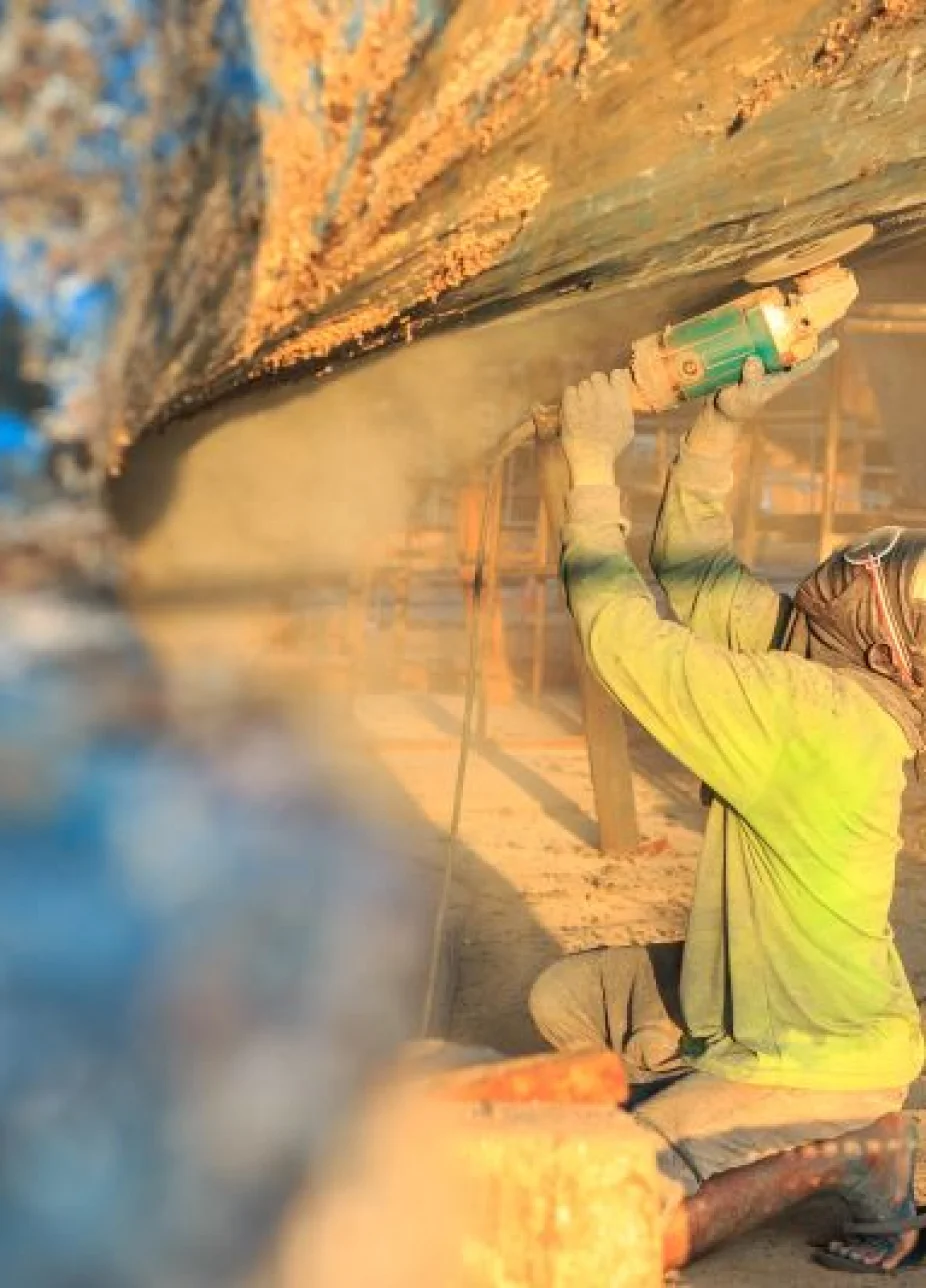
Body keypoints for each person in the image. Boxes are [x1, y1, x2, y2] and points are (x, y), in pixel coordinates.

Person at [529, 344, 926, 1273]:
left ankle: (862, 1153)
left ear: (889, 657)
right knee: (571, 998)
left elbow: (621, 634)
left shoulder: (819, 720)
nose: (884, 562)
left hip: (812, 1057)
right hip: (773, 1005)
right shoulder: (829, 670)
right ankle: (707, 1097)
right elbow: (694, 570)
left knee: (611, 1210)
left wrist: (591, 471)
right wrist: (720, 426)